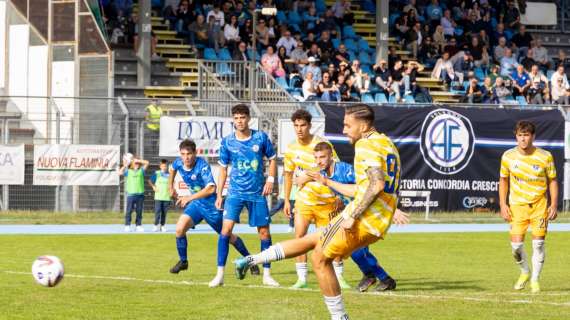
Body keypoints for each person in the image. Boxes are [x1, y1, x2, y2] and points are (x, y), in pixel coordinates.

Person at [235, 104, 401, 319]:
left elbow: (377, 184)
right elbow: (364, 187)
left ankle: (340, 317)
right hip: (374, 220)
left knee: (319, 260)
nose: (344, 130)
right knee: (311, 239)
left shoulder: (365, 145)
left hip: (365, 220)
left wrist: (352, 214)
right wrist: (327, 181)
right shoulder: (385, 142)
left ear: (363, 125)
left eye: (347, 125)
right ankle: (251, 260)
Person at [304, 141, 406, 292]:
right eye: (316, 157)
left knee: (355, 250)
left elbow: (368, 187)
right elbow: (301, 179)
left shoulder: (345, 170)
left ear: (331, 156)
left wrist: (393, 209)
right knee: (355, 250)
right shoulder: (324, 173)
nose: (319, 161)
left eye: (322, 157)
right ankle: (376, 277)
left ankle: (379, 277)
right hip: (353, 212)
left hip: (366, 211)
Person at [168, 139, 257, 276]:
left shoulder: (202, 166)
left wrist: (188, 198)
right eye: (183, 154)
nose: (186, 157)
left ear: (195, 153)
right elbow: (172, 168)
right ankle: (183, 261)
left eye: (189, 154)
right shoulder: (179, 162)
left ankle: (251, 261)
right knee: (180, 229)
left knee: (229, 237)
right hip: (197, 206)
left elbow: (210, 189)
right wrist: (171, 186)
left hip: (212, 208)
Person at [213, 104, 279, 287]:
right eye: (236, 118)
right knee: (225, 231)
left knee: (264, 233)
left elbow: (273, 159)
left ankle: (267, 275)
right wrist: (219, 194)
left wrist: (271, 180)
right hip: (234, 193)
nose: (239, 121)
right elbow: (223, 170)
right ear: (233, 120)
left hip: (257, 194)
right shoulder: (227, 142)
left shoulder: (260, 137)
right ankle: (219, 275)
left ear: (249, 118)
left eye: (242, 117)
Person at [282, 110, 349, 289]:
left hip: (327, 201)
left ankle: (340, 277)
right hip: (304, 200)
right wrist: (287, 200)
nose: (299, 129)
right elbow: (288, 175)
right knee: (299, 236)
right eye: (296, 125)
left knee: (332, 240)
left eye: (303, 125)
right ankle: (302, 279)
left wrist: (339, 196)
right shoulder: (290, 148)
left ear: (309, 126)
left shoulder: (322, 144)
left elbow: (334, 167)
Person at [499, 121, 558, 293]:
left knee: (538, 244)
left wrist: (553, 204)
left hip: (539, 205)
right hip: (517, 207)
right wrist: (503, 204)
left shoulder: (545, 156)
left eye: (526, 135)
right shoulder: (508, 157)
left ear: (533, 136)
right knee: (516, 247)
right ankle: (524, 272)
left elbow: (552, 180)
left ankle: (535, 279)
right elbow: (503, 181)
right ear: (516, 136)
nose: (523, 139)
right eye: (520, 135)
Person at [118, 156, 149, 232]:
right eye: (135, 163)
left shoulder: (141, 171)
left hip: (140, 195)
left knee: (139, 211)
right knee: (129, 211)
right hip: (131, 195)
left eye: (138, 163)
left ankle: (138, 225)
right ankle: (127, 225)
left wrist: (137, 160)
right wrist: (125, 166)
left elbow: (147, 162)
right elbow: (119, 173)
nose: (137, 164)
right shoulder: (128, 171)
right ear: (132, 164)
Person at [149, 159, 171, 232]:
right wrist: (153, 186)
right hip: (158, 197)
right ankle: (155, 225)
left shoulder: (169, 174)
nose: (164, 167)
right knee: (157, 212)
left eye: (165, 166)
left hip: (166, 197)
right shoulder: (157, 173)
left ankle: (163, 225)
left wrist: (171, 190)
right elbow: (150, 181)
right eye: (163, 166)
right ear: (160, 166)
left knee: (164, 213)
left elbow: (172, 184)